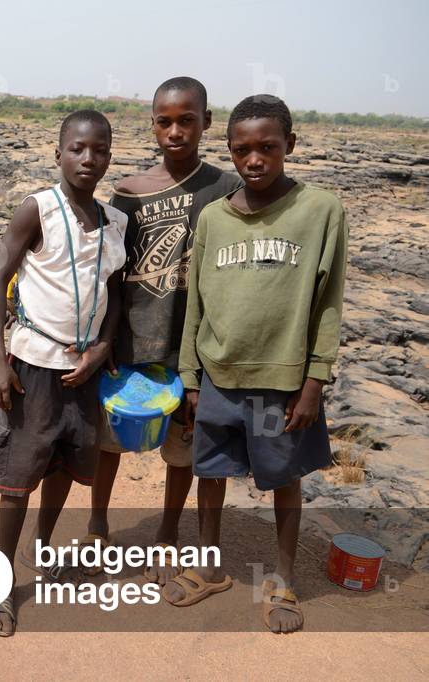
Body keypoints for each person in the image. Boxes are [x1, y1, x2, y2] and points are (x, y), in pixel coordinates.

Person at [166, 94, 348, 634]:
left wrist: (315, 380)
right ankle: (209, 568)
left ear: (288, 145)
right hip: (218, 379)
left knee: (284, 477)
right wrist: (190, 377)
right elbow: (194, 303)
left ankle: (284, 578)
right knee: (211, 474)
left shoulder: (320, 211)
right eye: (242, 150)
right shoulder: (213, 219)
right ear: (229, 151)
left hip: (281, 384)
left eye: (267, 147)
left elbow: (329, 300)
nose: (255, 160)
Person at [86, 77, 241, 584]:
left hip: (191, 348)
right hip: (132, 338)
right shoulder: (128, 193)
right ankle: (97, 525)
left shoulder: (226, 189)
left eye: (187, 120)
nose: (175, 131)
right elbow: (112, 272)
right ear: (152, 124)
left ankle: (168, 534)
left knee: (182, 450)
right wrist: (105, 339)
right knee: (110, 442)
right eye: (165, 121)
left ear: (206, 122)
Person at [0, 109, 127, 636]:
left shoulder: (116, 222)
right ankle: (0, 583)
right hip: (33, 367)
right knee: (19, 474)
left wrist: (105, 344)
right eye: (78, 149)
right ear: (59, 153)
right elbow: (0, 273)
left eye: (101, 150)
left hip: (83, 370)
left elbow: (113, 293)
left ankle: (41, 546)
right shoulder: (37, 209)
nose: (89, 159)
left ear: (110, 156)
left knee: (66, 462)